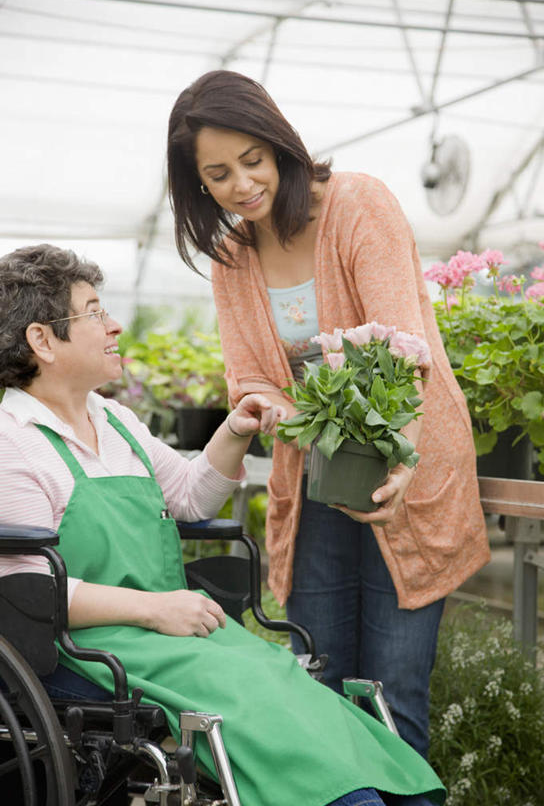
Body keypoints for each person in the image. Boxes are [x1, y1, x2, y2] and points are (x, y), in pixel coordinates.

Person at [0, 244, 446, 806]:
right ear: (42, 340)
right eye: (92, 312)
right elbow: (29, 592)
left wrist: (236, 430)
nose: (113, 325)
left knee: (281, 678)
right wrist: (156, 608)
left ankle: (393, 794)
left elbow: (189, 497)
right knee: (255, 696)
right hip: (87, 647)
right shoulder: (12, 442)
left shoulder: (114, 420)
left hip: (170, 630)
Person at [166, 70, 490, 767]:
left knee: (392, 690)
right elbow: (248, 375)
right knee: (318, 677)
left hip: (410, 472)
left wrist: (398, 459)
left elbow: (402, 347)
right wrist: (274, 408)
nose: (241, 185)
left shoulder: (356, 205)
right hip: (315, 480)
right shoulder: (232, 256)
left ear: (280, 143)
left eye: (252, 159)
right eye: (217, 174)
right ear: (197, 184)